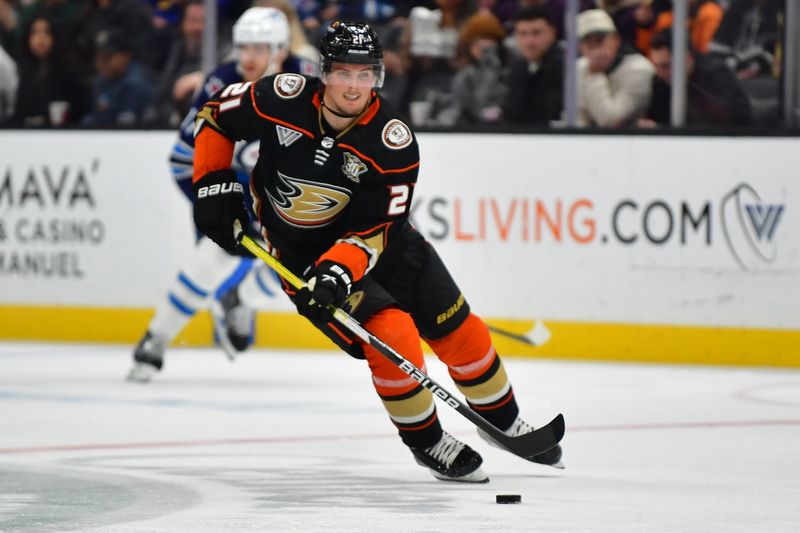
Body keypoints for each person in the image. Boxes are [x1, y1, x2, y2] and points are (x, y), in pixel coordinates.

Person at [190, 20, 563, 482]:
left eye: (364, 74)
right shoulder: (280, 96)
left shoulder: (393, 143)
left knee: (461, 331)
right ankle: (427, 442)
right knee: (397, 337)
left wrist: (338, 271)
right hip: (299, 256)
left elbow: (374, 230)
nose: (353, 85)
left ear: (378, 76)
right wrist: (210, 181)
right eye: (344, 72)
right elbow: (214, 115)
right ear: (324, 72)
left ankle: (504, 421)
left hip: (383, 244)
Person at [127, 7, 294, 383]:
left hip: (285, 197)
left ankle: (240, 298)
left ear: (280, 51)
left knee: (302, 265)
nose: (247, 58)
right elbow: (182, 162)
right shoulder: (220, 86)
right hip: (231, 190)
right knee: (211, 259)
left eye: (259, 48)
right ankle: (156, 338)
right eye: (242, 47)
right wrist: (219, 208)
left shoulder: (308, 81)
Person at [642, 28, 754, 127]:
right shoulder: (661, 81)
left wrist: (663, 130)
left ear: (687, 58)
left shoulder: (715, 75)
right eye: (656, 66)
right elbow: (655, 117)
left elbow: (715, 124)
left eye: (666, 66)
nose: (660, 73)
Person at [576, 8, 654, 127]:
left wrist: (595, 73)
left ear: (616, 40)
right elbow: (576, 118)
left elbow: (610, 121)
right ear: (580, 48)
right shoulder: (578, 67)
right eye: (588, 42)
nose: (596, 49)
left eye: (600, 40)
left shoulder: (638, 70)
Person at [503, 5, 563, 126]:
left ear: (552, 33)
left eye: (536, 33)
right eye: (523, 34)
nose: (529, 41)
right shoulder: (515, 69)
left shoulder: (566, 69)